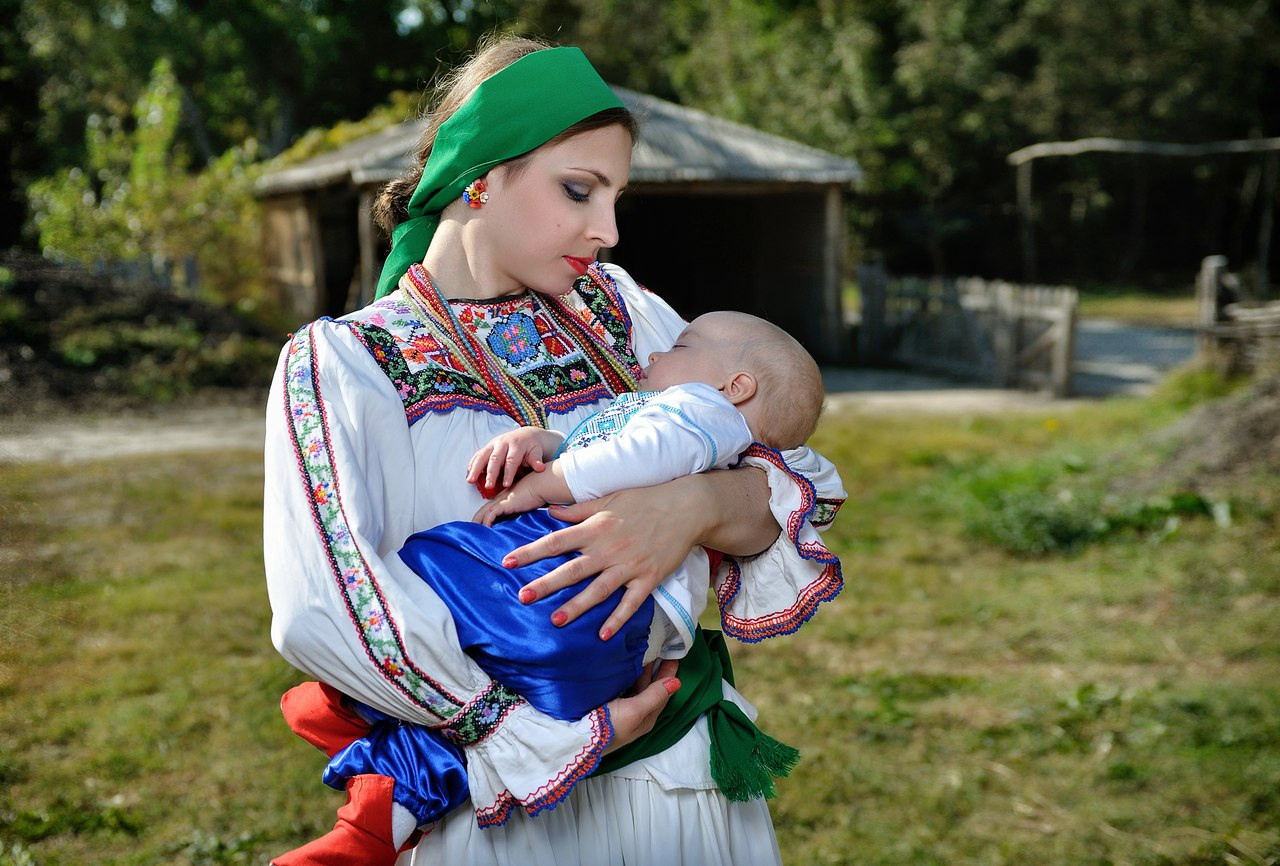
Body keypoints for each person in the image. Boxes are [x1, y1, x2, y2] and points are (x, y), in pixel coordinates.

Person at [263, 34, 846, 866]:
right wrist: (533, 734)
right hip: (508, 811)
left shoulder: (624, 312)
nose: (606, 230)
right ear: (480, 177)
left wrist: (691, 508)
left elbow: (796, 467)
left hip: (682, 789)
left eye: (616, 197)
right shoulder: (348, 366)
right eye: (579, 190)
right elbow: (327, 605)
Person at [273, 310, 831, 865]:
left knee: (434, 565)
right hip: (548, 690)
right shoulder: (348, 353)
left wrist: (669, 502)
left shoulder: (655, 345)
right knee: (451, 728)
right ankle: (370, 822)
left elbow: (704, 467)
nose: (657, 353)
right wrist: (552, 441)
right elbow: (624, 441)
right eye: (582, 210)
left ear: (735, 386)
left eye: (681, 347)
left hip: (599, 657)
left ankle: (350, 709)